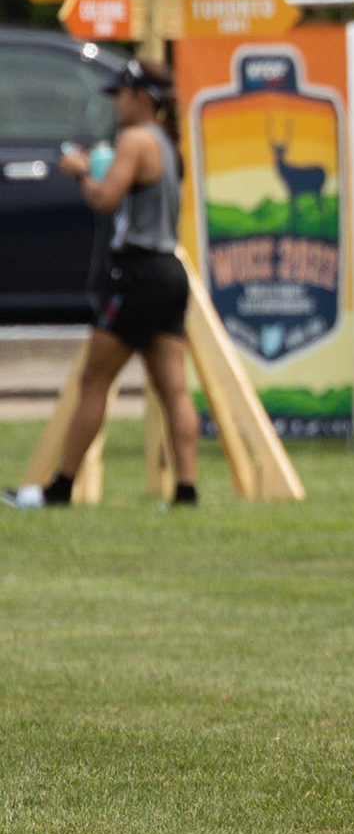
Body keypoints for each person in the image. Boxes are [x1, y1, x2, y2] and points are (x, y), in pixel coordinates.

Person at [4, 60, 201, 511]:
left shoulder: (135, 140)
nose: (115, 104)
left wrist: (80, 172)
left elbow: (105, 198)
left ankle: (59, 489)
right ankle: (186, 491)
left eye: (121, 95)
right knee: (173, 387)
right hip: (169, 269)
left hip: (137, 273)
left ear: (142, 97)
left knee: (95, 378)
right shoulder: (166, 142)